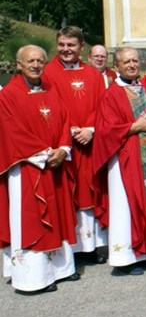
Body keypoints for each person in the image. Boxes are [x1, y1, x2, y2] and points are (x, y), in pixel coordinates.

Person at [0, 45, 79, 293]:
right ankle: (32, 279)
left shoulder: (51, 90)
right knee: (32, 218)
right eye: (30, 61)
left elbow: (66, 120)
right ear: (19, 64)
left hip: (54, 164)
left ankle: (61, 269)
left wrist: (64, 149)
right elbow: (12, 131)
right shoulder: (8, 95)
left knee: (58, 215)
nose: (35, 65)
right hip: (27, 167)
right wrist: (46, 154)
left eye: (40, 61)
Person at [93, 46, 146, 275]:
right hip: (123, 161)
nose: (131, 65)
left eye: (134, 61)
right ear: (116, 66)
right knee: (125, 207)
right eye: (126, 62)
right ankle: (125, 257)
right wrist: (133, 127)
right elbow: (104, 130)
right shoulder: (112, 94)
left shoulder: (144, 88)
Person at [43, 26, 107, 264]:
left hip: (90, 143)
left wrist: (91, 129)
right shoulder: (47, 73)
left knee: (90, 191)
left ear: (82, 47)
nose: (66, 49)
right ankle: (69, 247)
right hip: (63, 145)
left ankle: (91, 247)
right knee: (67, 195)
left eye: (71, 45)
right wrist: (68, 132)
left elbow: (103, 107)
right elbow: (47, 106)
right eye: (61, 45)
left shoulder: (93, 75)